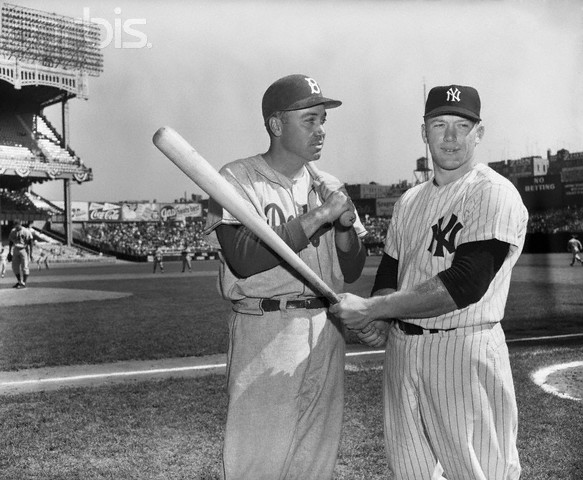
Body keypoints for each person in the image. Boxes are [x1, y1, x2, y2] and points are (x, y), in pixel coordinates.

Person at [331, 84, 527, 480]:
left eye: (461, 125)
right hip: (404, 353)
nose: (451, 136)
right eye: (440, 124)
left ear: (479, 133)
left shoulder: (493, 192)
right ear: (425, 132)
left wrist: (374, 309)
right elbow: (390, 273)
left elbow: (466, 283)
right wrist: (382, 319)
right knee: (411, 472)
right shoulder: (409, 200)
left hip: (464, 349)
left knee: (478, 471)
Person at [204, 74, 367, 480]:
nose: (321, 130)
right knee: (256, 466)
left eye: (323, 120)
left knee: (315, 464)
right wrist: (320, 217)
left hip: (326, 332)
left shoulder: (328, 185)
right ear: (276, 125)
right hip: (266, 329)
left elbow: (352, 269)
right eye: (309, 120)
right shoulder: (236, 178)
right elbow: (242, 257)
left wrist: (344, 228)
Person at [7, 219, 34, 288]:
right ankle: (19, 281)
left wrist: (31, 254)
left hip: (24, 249)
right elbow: (10, 241)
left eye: (17, 225)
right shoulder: (13, 231)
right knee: (14, 267)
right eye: (15, 225)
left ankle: (24, 283)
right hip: (16, 249)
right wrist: (9, 252)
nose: (16, 227)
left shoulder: (26, 231)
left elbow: (31, 242)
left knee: (25, 266)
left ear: (20, 224)